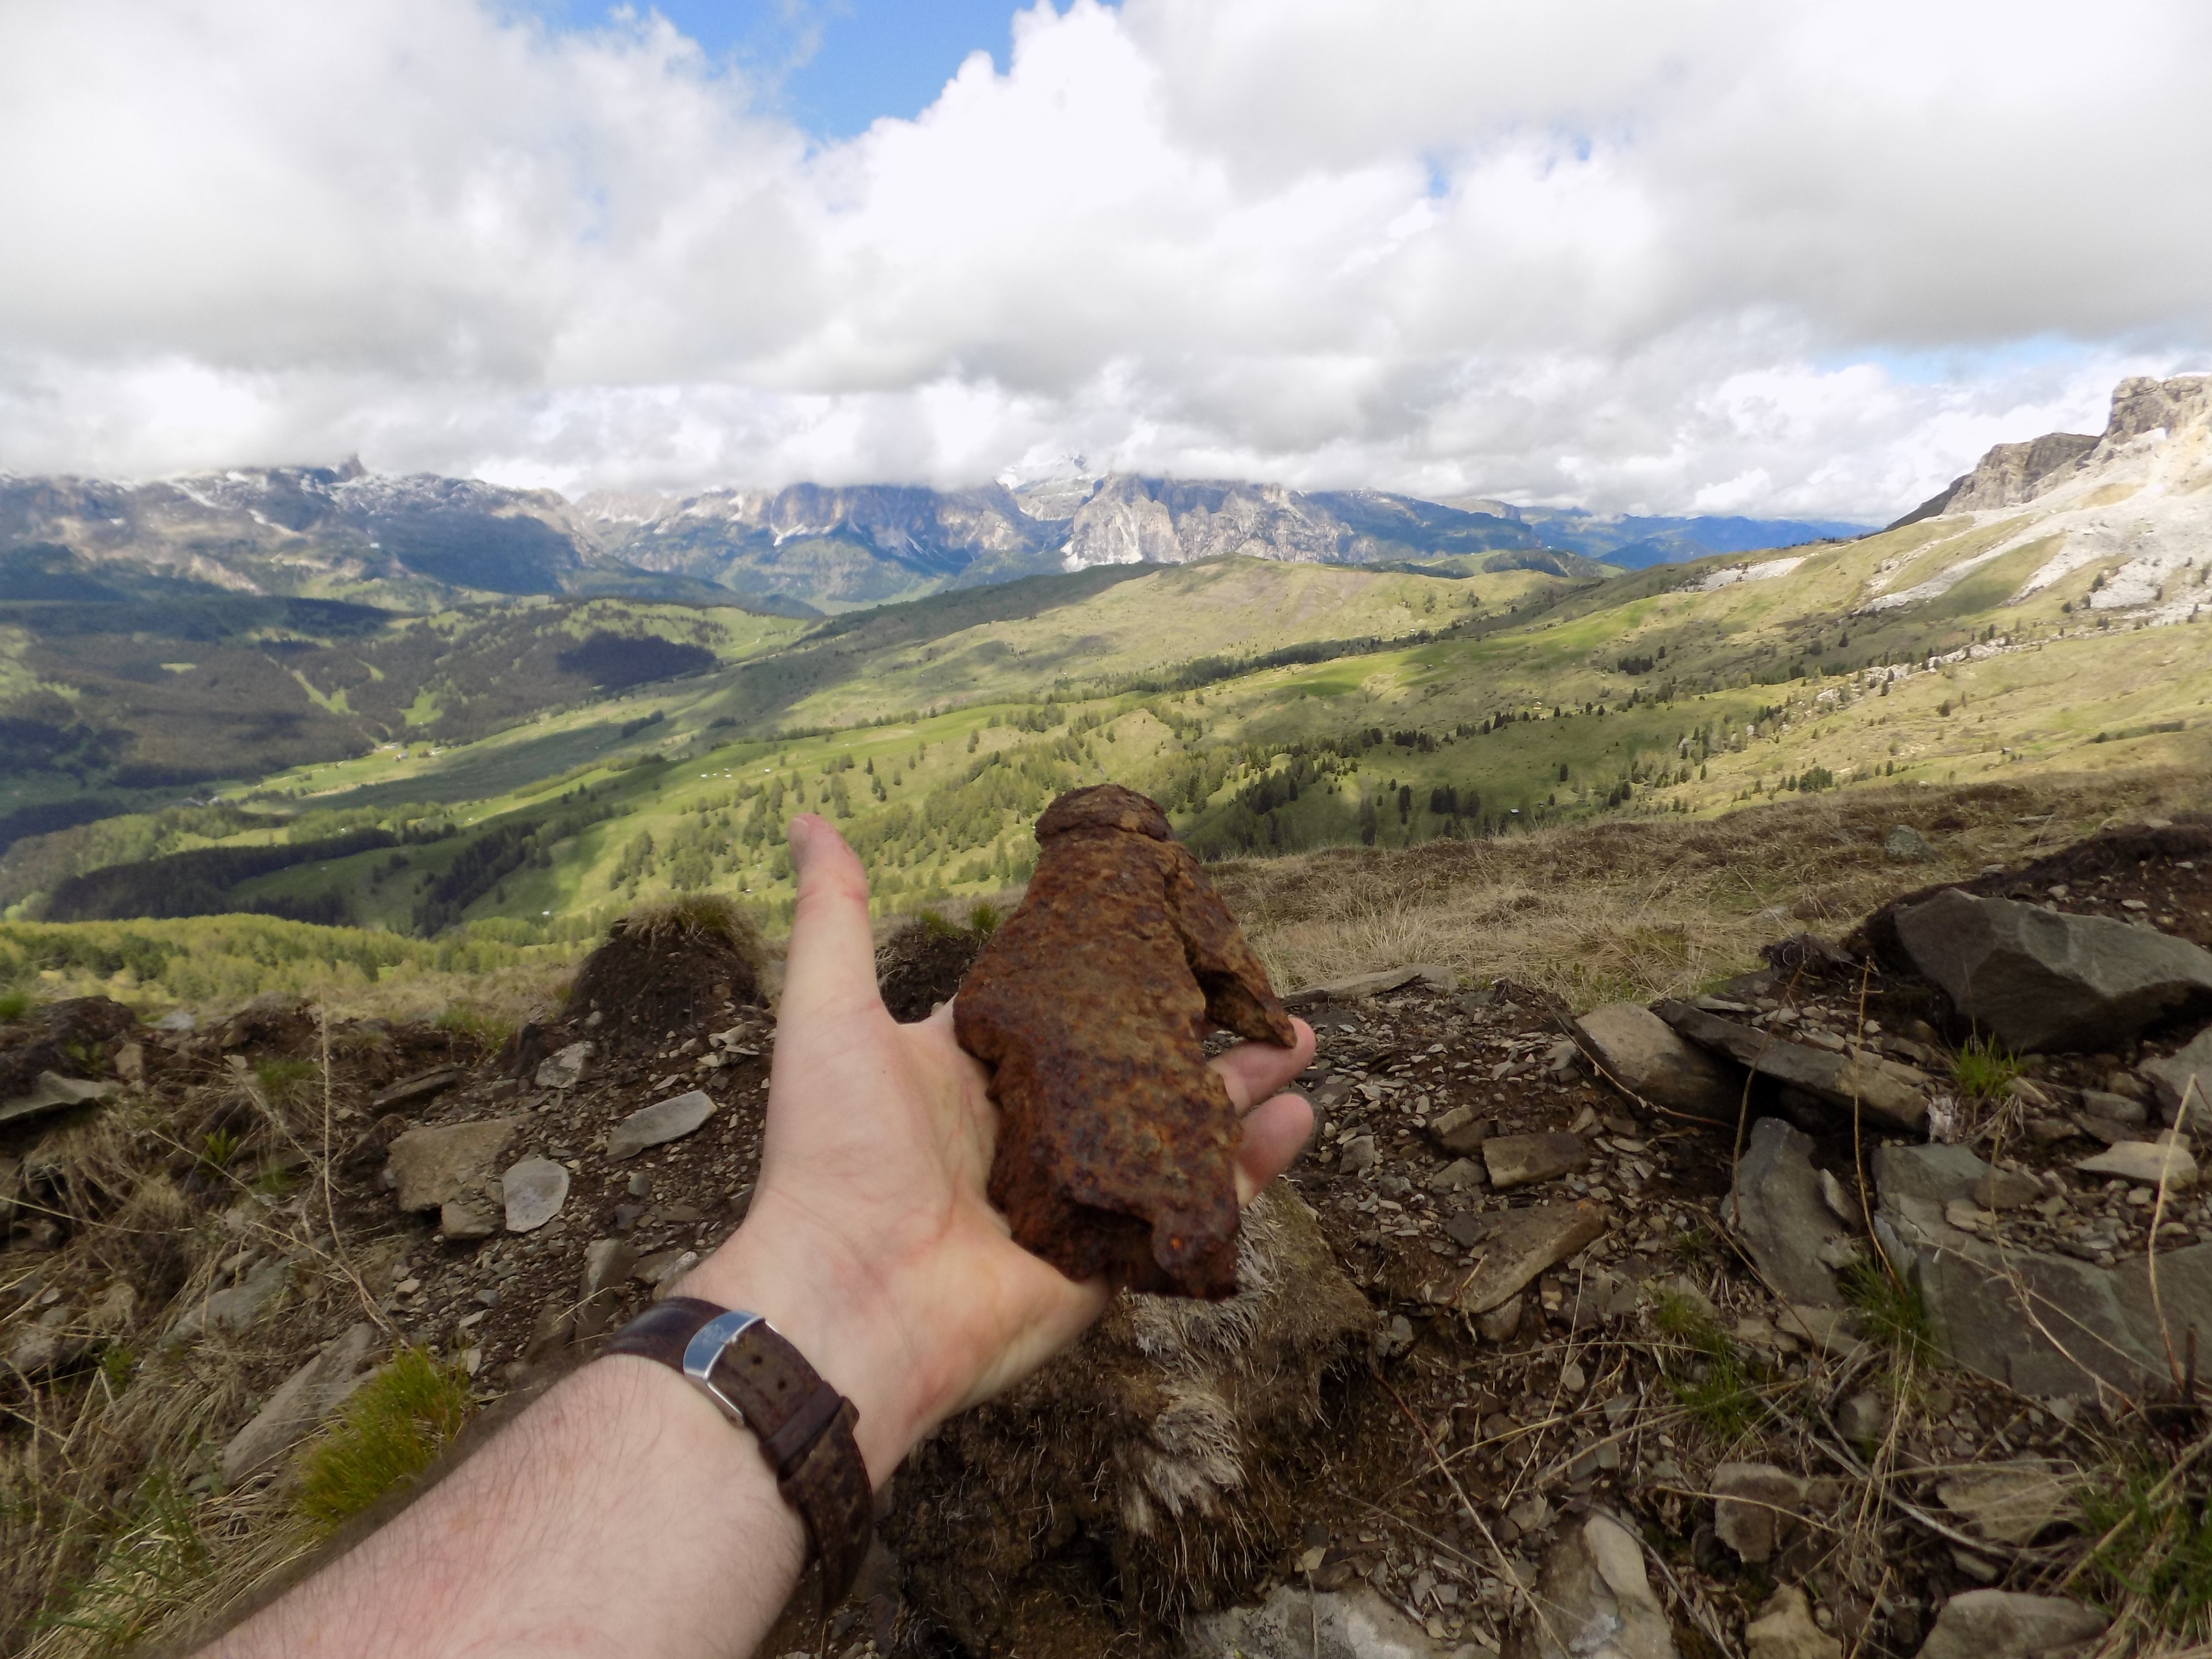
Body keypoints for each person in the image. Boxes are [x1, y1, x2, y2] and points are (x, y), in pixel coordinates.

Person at [204, 814, 1316, 1658]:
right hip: (1132, 1147)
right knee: (1164, 1143)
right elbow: (1240, 984)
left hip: (1030, 1166)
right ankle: (1175, 1228)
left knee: (1083, 1136)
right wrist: (1257, 1018)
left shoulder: (1025, 948)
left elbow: (993, 1018)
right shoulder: (1154, 881)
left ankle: (1134, 1216)